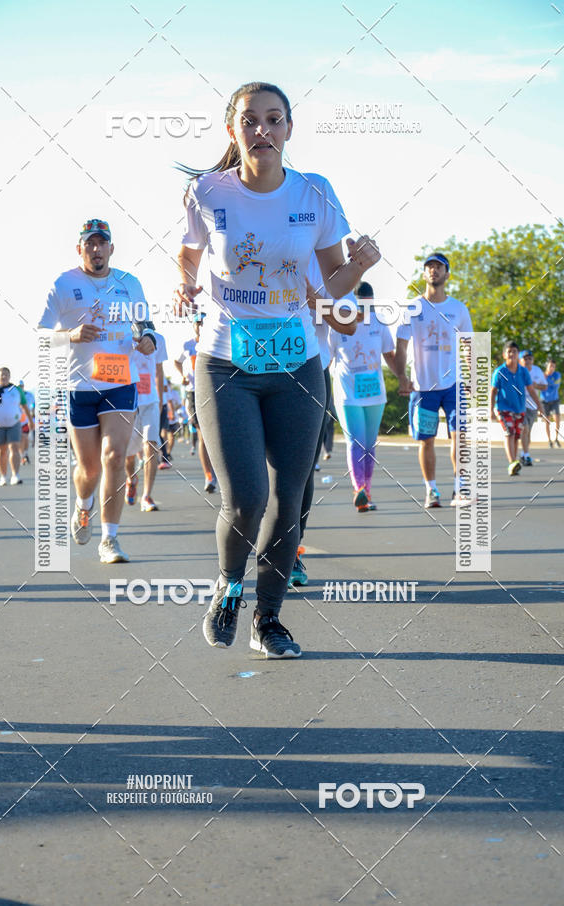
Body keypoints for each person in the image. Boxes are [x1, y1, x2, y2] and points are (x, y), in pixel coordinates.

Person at [175, 80, 380, 657]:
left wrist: (359, 269)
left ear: (289, 128)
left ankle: (269, 620)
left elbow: (334, 295)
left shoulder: (316, 193)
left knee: (289, 500)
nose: (261, 129)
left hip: (297, 365)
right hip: (226, 362)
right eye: (250, 119)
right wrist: (184, 283)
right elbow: (189, 251)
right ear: (232, 129)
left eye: (273, 118)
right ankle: (228, 586)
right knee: (246, 497)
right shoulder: (206, 191)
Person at [38, 218, 157, 563]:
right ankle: (83, 504)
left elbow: (146, 325)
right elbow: (42, 335)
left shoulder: (128, 283)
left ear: (111, 248)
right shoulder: (64, 284)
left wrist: (148, 339)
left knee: (114, 458)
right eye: (89, 243)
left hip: (120, 383)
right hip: (80, 386)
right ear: (80, 249)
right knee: (89, 470)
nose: (96, 249)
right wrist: (70, 335)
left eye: (101, 242)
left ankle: (109, 539)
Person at [291, 258, 358, 587]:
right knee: (255, 475)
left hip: (310, 374)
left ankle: (290, 551)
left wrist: (313, 298)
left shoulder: (329, 266)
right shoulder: (255, 245)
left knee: (300, 471)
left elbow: (349, 323)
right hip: (252, 372)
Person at [394, 252, 473, 508]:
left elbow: (469, 345)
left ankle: (459, 489)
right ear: (424, 273)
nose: (433, 270)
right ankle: (432, 490)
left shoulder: (458, 309)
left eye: (439, 266)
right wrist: (402, 377)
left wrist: (472, 378)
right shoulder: (412, 307)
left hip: (453, 386)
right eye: (429, 266)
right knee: (426, 440)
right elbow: (401, 345)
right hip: (423, 387)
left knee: (460, 436)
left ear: (447, 273)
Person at [330, 281, 399, 511]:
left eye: (369, 305)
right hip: (347, 392)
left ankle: (366, 493)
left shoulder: (379, 322)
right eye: (360, 305)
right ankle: (358, 488)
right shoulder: (337, 323)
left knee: (369, 444)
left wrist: (403, 377)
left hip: (374, 393)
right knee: (355, 441)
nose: (364, 310)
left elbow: (389, 355)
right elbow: (327, 358)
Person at [124, 330, 167, 511]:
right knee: (129, 456)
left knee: (151, 445)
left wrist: (160, 400)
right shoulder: (123, 334)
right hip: (128, 402)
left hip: (150, 401)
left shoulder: (159, 339)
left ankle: (146, 496)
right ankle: (131, 478)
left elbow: (159, 370)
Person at [174, 314, 217, 493]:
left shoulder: (216, 342)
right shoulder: (188, 345)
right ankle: (209, 476)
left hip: (214, 390)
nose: (200, 326)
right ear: (193, 325)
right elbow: (177, 362)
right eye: (197, 323)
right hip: (194, 392)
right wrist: (183, 376)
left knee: (217, 434)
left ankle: (221, 472)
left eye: (203, 323)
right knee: (202, 435)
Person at [491, 341, 544, 475]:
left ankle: (514, 463)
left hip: (520, 408)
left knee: (516, 436)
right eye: (509, 351)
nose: (512, 354)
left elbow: (531, 390)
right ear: (504, 355)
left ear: (517, 354)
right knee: (509, 432)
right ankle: (512, 462)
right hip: (503, 408)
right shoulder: (500, 372)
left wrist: (540, 406)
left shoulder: (523, 372)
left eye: (514, 351)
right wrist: (491, 410)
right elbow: (493, 391)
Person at [0, 367, 33, 486]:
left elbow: (25, 406)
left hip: (14, 423)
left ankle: (15, 475)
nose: (4, 376)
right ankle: (3, 476)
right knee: (2, 450)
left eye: (6, 374)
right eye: (2, 374)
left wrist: (30, 421)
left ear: (9, 376)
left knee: (14, 447)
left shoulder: (16, 390)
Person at [541, 358, 561, 447]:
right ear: (547, 366)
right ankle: (549, 440)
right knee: (547, 421)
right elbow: (538, 385)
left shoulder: (557, 375)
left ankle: (556, 439)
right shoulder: (541, 375)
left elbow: (556, 386)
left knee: (557, 420)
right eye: (550, 366)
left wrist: (547, 379)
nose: (552, 368)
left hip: (555, 400)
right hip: (544, 401)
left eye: (553, 366)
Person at [18, 380, 35, 465]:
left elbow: (33, 404)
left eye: (21, 386)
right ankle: (22, 456)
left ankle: (25, 454)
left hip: (26, 420)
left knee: (25, 437)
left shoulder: (29, 395)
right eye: (19, 386)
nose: (20, 387)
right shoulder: (14, 394)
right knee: (21, 438)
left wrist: (32, 412)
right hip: (17, 420)